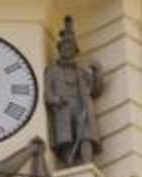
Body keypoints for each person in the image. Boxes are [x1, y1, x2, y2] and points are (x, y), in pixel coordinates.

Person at [44, 16, 104, 166]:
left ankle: (87, 164)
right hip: (63, 107)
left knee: (86, 134)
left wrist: (97, 73)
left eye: (70, 48)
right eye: (64, 48)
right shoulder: (52, 70)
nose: (67, 51)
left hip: (81, 105)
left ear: (75, 51)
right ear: (59, 50)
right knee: (65, 136)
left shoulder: (82, 72)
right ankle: (69, 165)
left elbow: (95, 91)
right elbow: (47, 93)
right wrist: (56, 99)